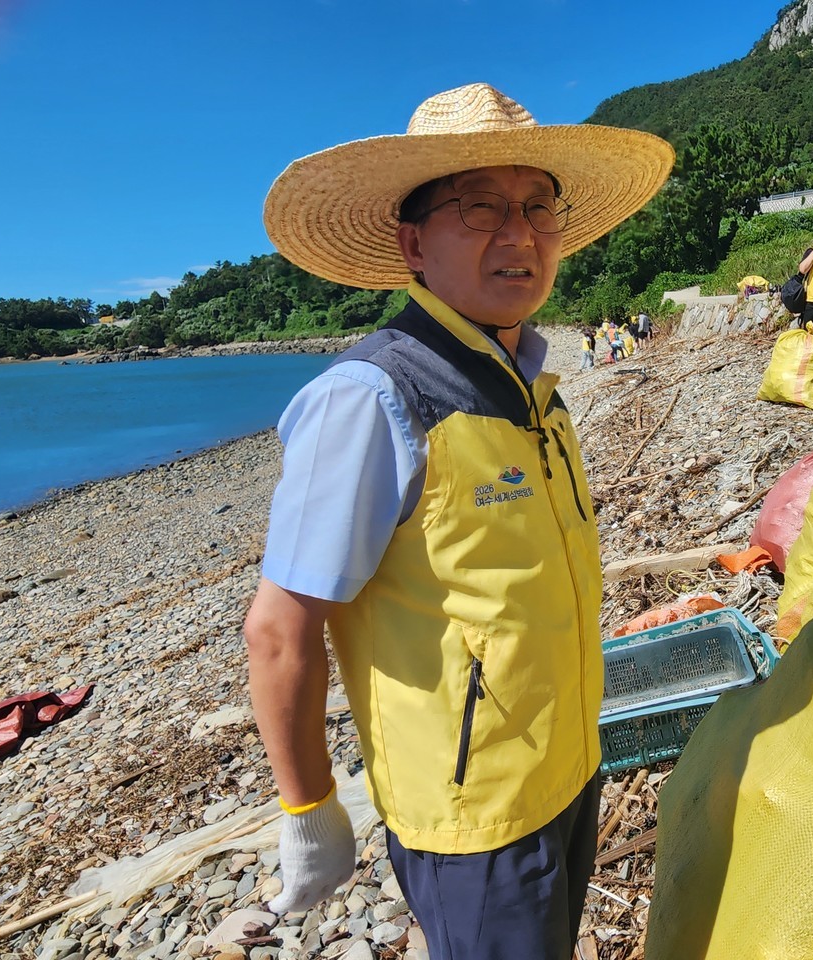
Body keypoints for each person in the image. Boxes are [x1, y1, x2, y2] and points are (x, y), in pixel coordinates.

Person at [244, 82, 673, 960]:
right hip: (475, 817)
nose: (518, 234)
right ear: (412, 244)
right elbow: (282, 630)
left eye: (537, 208)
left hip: (567, 771)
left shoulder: (529, 387)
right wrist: (308, 809)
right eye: (481, 208)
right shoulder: (373, 398)